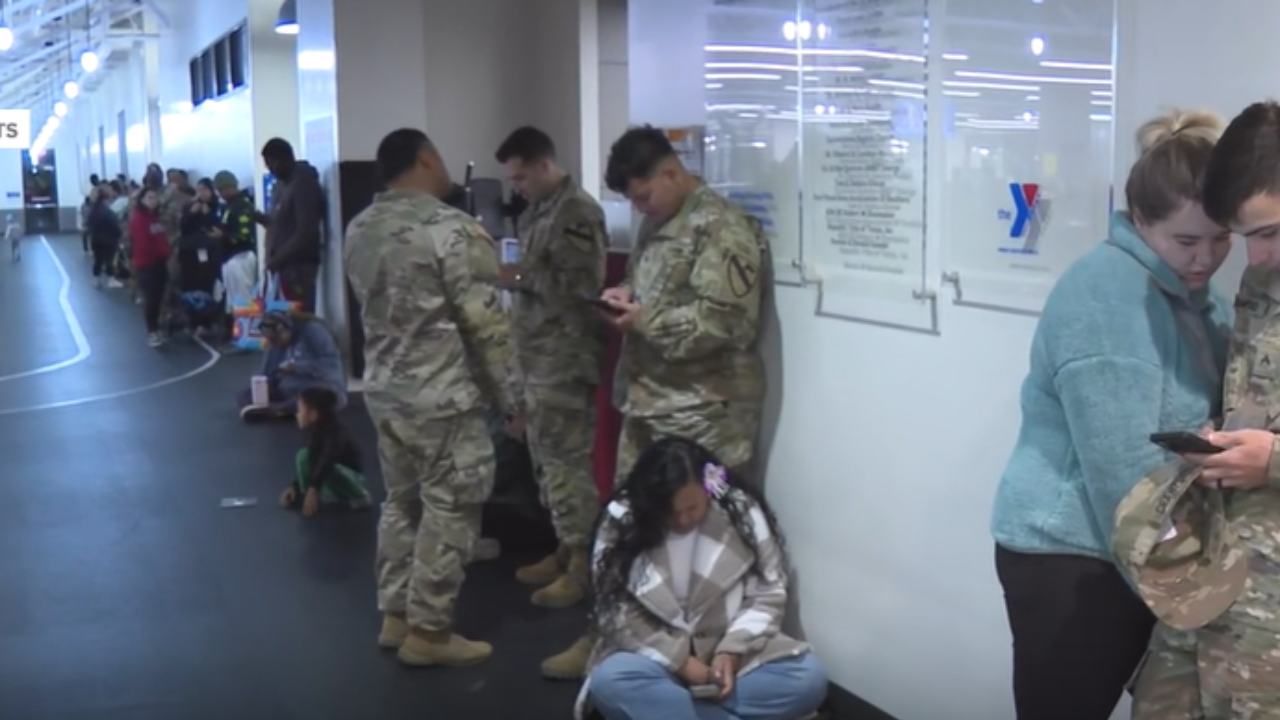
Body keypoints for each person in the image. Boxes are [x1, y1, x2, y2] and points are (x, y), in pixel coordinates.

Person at [987, 110, 1234, 720]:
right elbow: (1121, 473)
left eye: (1221, 238)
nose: (1206, 258)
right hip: (1075, 555)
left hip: (1139, 546)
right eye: (1186, 241)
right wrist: (1193, 594)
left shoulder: (1199, 294)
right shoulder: (1107, 298)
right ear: (1140, 221)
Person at [542, 125, 772, 680]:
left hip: (704, 414)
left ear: (672, 170)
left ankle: (704, 655)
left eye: (643, 194)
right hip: (649, 405)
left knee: (704, 542)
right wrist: (628, 301)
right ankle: (609, 640)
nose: (640, 206)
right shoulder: (658, 223)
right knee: (626, 529)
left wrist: (645, 320)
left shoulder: (723, 230)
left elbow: (727, 323)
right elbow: (661, 297)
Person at [1116, 100, 1280, 720]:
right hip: (1221, 577)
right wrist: (1223, 440)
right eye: (1246, 238)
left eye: (1267, 233)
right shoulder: (1263, 283)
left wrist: (1272, 462)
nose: (1254, 257)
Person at [344, 128, 516, 668]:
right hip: (442, 399)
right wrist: (512, 398)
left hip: (386, 393)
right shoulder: (450, 228)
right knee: (452, 507)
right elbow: (484, 323)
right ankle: (430, 631)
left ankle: (396, 615)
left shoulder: (361, 226)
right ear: (425, 158)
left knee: (401, 503)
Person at [575, 437, 827, 720]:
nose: (683, 520)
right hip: (653, 657)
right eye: (671, 512)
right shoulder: (622, 518)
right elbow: (617, 612)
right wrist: (681, 662)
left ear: (708, 489)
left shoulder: (738, 508)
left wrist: (731, 652)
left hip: (731, 656)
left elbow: (769, 590)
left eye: (692, 508)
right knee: (612, 681)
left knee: (808, 677)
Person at [493, 126, 608, 609]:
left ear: (544, 165)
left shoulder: (576, 212)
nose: (516, 187)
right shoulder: (539, 211)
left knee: (566, 466)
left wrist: (514, 276)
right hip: (537, 359)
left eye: (521, 177)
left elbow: (582, 284)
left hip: (565, 359)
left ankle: (583, 563)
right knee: (546, 463)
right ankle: (564, 546)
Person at [280, 386, 372, 517]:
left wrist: (313, 489)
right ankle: (304, 493)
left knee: (323, 464)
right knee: (304, 455)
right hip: (325, 479)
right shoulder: (311, 433)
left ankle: (358, 495)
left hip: (348, 476)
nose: (297, 414)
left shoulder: (337, 434)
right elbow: (308, 461)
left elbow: (326, 461)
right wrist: (294, 486)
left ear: (313, 414)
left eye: (300, 410)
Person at [237, 311, 347, 419]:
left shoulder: (313, 331)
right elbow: (267, 371)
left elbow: (331, 364)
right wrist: (261, 386)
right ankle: (278, 408)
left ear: (286, 329)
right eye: (271, 340)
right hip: (287, 389)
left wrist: (298, 368)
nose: (275, 343)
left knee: (318, 398)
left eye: (276, 338)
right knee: (244, 396)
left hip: (318, 384)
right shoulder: (276, 344)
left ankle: (280, 408)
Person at [259, 138, 324, 311]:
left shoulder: (303, 183)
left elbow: (306, 230)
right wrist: (259, 218)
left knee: (298, 319)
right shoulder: (280, 185)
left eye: (272, 163)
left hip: (298, 266)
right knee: (280, 321)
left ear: (285, 159)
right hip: (281, 266)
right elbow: (278, 222)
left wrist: (278, 259)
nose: (270, 169)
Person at [211, 171, 259, 343]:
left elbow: (244, 235)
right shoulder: (231, 206)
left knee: (243, 299)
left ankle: (248, 339)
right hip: (232, 258)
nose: (220, 194)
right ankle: (241, 337)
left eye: (222, 189)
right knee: (235, 300)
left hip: (242, 257)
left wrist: (222, 236)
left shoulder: (242, 206)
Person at [129, 187, 173, 347]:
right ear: (142, 200)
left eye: (155, 197)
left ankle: (157, 328)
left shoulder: (155, 218)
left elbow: (162, 238)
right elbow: (143, 244)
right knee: (151, 298)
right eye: (150, 197)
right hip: (147, 264)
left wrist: (165, 252)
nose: (153, 201)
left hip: (160, 263)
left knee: (160, 297)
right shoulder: (139, 219)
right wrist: (161, 253)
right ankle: (152, 331)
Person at [86, 185, 123, 288]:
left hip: (96, 238)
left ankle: (96, 280)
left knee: (98, 259)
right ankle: (111, 279)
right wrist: (119, 234)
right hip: (108, 239)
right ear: (106, 198)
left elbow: (89, 224)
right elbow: (114, 225)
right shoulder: (107, 211)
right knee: (109, 259)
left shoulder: (93, 210)